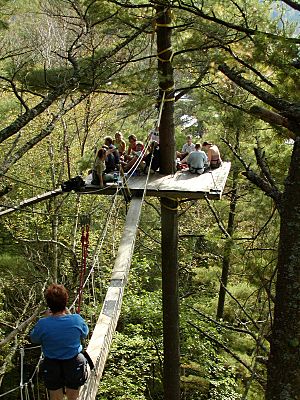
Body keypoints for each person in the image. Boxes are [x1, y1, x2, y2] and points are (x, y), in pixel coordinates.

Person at [30, 284, 89, 400]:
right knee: (73, 396)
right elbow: (84, 333)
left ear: (49, 304)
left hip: (51, 364)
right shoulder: (76, 319)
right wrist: (70, 315)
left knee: (55, 398)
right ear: (66, 301)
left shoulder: (43, 323)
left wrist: (47, 319)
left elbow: (34, 339)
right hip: (74, 362)